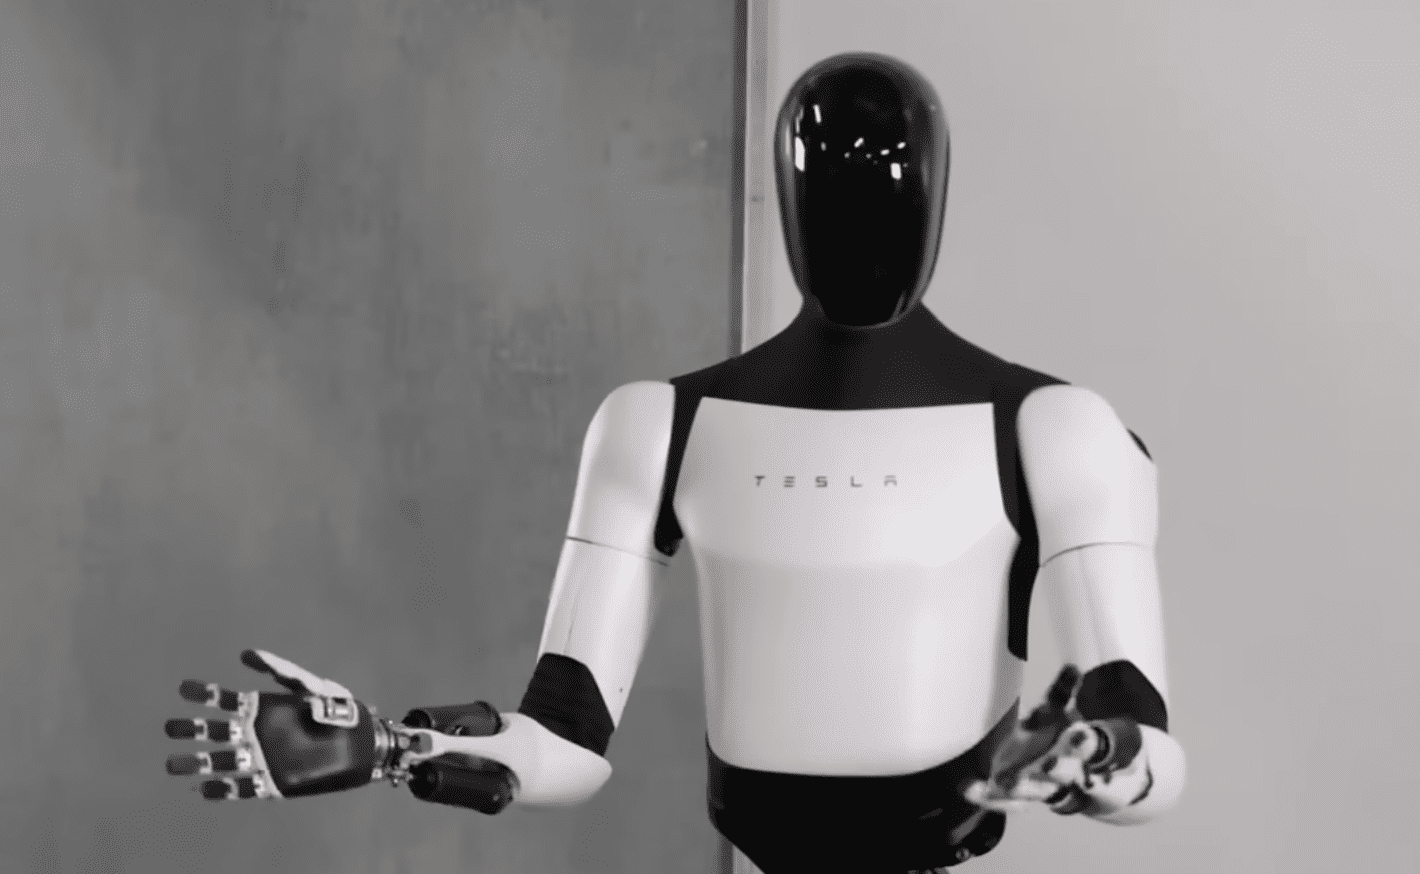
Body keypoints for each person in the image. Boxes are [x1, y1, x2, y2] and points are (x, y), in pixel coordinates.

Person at [165, 52, 1186, 874]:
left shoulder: (1051, 431)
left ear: (934, 193)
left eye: (886, 179)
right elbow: (566, 740)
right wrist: (393, 747)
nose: (856, 213)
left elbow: (1147, 741)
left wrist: (1094, 758)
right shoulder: (657, 425)